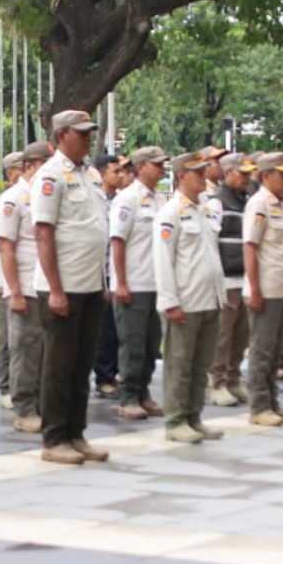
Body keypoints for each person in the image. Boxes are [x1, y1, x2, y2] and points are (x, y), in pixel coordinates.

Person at [31, 111, 109, 465]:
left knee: (81, 365)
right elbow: (44, 233)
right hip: (62, 287)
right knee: (59, 367)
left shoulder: (90, 174)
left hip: (91, 284)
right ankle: (55, 437)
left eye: (89, 132)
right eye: (81, 133)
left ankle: (76, 432)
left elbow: (96, 232)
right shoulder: (50, 176)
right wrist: (56, 289)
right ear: (62, 135)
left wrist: (104, 282)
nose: (87, 138)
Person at [154, 152, 226, 444]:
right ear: (182, 175)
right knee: (179, 364)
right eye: (198, 172)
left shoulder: (206, 209)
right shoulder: (170, 212)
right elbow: (163, 259)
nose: (204, 177)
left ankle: (194, 416)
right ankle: (175, 420)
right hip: (185, 300)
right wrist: (170, 301)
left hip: (209, 298)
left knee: (200, 364)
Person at [242, 153, 283, 427]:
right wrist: (254, 289)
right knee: (262, 350)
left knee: (276, 350)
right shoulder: (259, 204)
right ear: (266, 175)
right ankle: (259, 405)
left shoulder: (282, 204)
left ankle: (273, 402)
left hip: (281, 287)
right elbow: (250, 248)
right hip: (265, 288)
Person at [0, 143, 50, 433]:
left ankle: (40, 405)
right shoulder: (13, 200)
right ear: (29, 166)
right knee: (25, 351)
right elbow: (6, 248)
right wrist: (13, 292)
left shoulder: (48, 197)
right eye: (44, 163)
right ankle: (25, 408)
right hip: (25, 287)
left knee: (44, 351)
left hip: (46, 287)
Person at [109, 146, 168, 421]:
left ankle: (144, 392)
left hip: (155, 283)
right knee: (132, 345)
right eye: (156, 164)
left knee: (151, 345)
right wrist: (120, 282)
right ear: (141, 166)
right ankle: (128, 396)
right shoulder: (127, 199)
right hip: (133, 283)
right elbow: (118, 242)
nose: (161, 169)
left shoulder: (158, 201)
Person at [206, 152, 256, 407]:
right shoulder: (217, 204)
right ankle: (217, 382)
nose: (247, 178)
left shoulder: (246, 201)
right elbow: (211, 244)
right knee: (222, 337)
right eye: (242, 173)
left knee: (240, 337)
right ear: (227, 174)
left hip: (244, 280)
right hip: (226, 280)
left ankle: (234, 379)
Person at [0, 151, 23, 410]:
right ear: (11, 173)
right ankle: (7, 386)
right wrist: (0, 282)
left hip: (27, 280)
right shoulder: (0, 205)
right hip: (6, 282)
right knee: (8, 337)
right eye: (23, 167)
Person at [91, 154, 126, 399]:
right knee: (105, 330)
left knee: (118, 328)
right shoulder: (97, 202)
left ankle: (114, 371)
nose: (120, 175)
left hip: (119, 273)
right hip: (102, 272)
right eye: (115, 171)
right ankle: (103, 376)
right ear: (102, 174)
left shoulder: (120, 201)